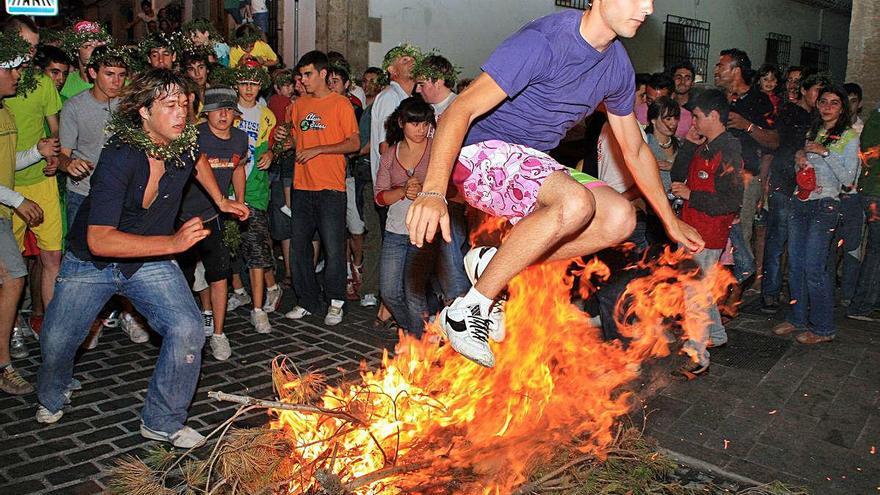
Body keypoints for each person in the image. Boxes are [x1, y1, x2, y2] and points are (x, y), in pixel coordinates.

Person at [406, 0, 703, 368]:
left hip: (533, 162)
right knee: (576, 203)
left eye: (650, 0)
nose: (646, 8)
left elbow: (635, 148)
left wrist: (669, 221)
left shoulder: (617, 66)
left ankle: (495, 262)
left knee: (620, 217)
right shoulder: (544, 41)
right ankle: (467, 310)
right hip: (479, 154)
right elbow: (459, 109)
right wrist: (432, 191)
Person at [35, 70, 248, 449]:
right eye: (170, 105)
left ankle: (162, 421)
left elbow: (198, 159)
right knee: (56, 342)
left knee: (188, 329)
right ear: (144, 112)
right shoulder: (120, 156)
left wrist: (220, 200)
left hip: (149, 258)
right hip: (91, 264)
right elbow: (99, 240)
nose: (181, 113)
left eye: (185, 105)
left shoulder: (182, 144)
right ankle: (54, 392)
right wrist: (173, 242)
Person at [772, 86, 859, 344]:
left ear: (842, 108)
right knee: (796, 265)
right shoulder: (815, 130)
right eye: (823, 101)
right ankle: (797, 317)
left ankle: (823, 328)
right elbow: (806, 161)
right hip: (801, 202)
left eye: (834, 102)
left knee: (815, 268)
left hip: (825, 206)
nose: (828, 107)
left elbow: (848, 181)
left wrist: (825, 153)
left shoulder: (849, 136)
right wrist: (801, 155)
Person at [669, 89, 744, 377]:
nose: (694, 123)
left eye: (697, 117)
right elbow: (678, 175)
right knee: (698, 290)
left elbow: (730, 201)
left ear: (713, 116)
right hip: (692, 229)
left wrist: (691, 195)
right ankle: (718, 335)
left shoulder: (729, 150)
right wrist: (688, 146)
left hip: (707, 235)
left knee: (694, 295)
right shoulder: (705, 144)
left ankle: (697, 356)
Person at [284, 51, 360, 325]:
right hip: (302, 185)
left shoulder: (341, 104)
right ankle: (306, 300)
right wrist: (286, 141)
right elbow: (295, 140)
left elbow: (353, 143)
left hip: (330, 187)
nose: (302, 80)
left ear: (323, 74)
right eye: (301, 75)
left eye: (308, 74)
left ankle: (336, 301)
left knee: (333, 248)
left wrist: (318, 150)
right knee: (299, 247)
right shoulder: (299, 105)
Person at [177, 87, 248, 360]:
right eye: (218, 109)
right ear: (206, 112)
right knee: (180, 280)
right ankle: (182, 334)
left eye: (229, 110)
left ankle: (218, 334)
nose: (223, 115)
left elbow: (238, 167)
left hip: (214, 217)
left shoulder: (240, 139)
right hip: (182, 219)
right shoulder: (194, 136)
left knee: (220, 275)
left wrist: (239, 202)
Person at [760, 73, 829, 313]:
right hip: (785, 182)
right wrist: (765, 181)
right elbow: (777, 145)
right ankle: (770, 292)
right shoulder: (789, 112)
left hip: (806, 188)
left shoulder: (820, 119)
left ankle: (791, 292)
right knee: (777, 239)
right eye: (816, 92)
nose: (820, 99)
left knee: (799, 243)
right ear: (803, 90)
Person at [0, 30, 45, 395]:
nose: (17, 76)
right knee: (15, 276)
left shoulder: (4, 109)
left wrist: (38, 152)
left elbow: (7, 163)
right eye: (11, 69)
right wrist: (17, 200)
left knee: (14, 278)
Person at [375, 97, 437, 336]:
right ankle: (415, 332)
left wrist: (426, 189)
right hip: (395, 229)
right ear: (401, 123)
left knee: (414, 293)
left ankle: (419, 343)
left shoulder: (436, 148)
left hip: (424, 229)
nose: (420, 129)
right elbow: (379, 197)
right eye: (414, 124)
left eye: (424, 124)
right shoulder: (391, 153)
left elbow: (454, 187)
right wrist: (402, 191)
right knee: (390, 291)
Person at [230, 63, 280, 332]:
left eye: (254, 83)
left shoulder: (267, 116)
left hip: (256, 191)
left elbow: (271, 146)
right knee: (229, 250)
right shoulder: (227, 111)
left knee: (257, 250)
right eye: (244, 83)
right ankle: (238, 291)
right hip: (225, 191)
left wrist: (271, 153)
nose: (249, 89)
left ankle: (258, 309)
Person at [847, 105, 880, 322]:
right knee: (877, 250)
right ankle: (861, 305)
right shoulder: (877, 118)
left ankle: (871, 301)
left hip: (873, 191)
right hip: (876, 192)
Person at [60, 20, 111, 101]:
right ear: (76, 51)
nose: (95, 50)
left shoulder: (119, 83)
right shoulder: (63, 83)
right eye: (88, 46)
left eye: (99, 46)